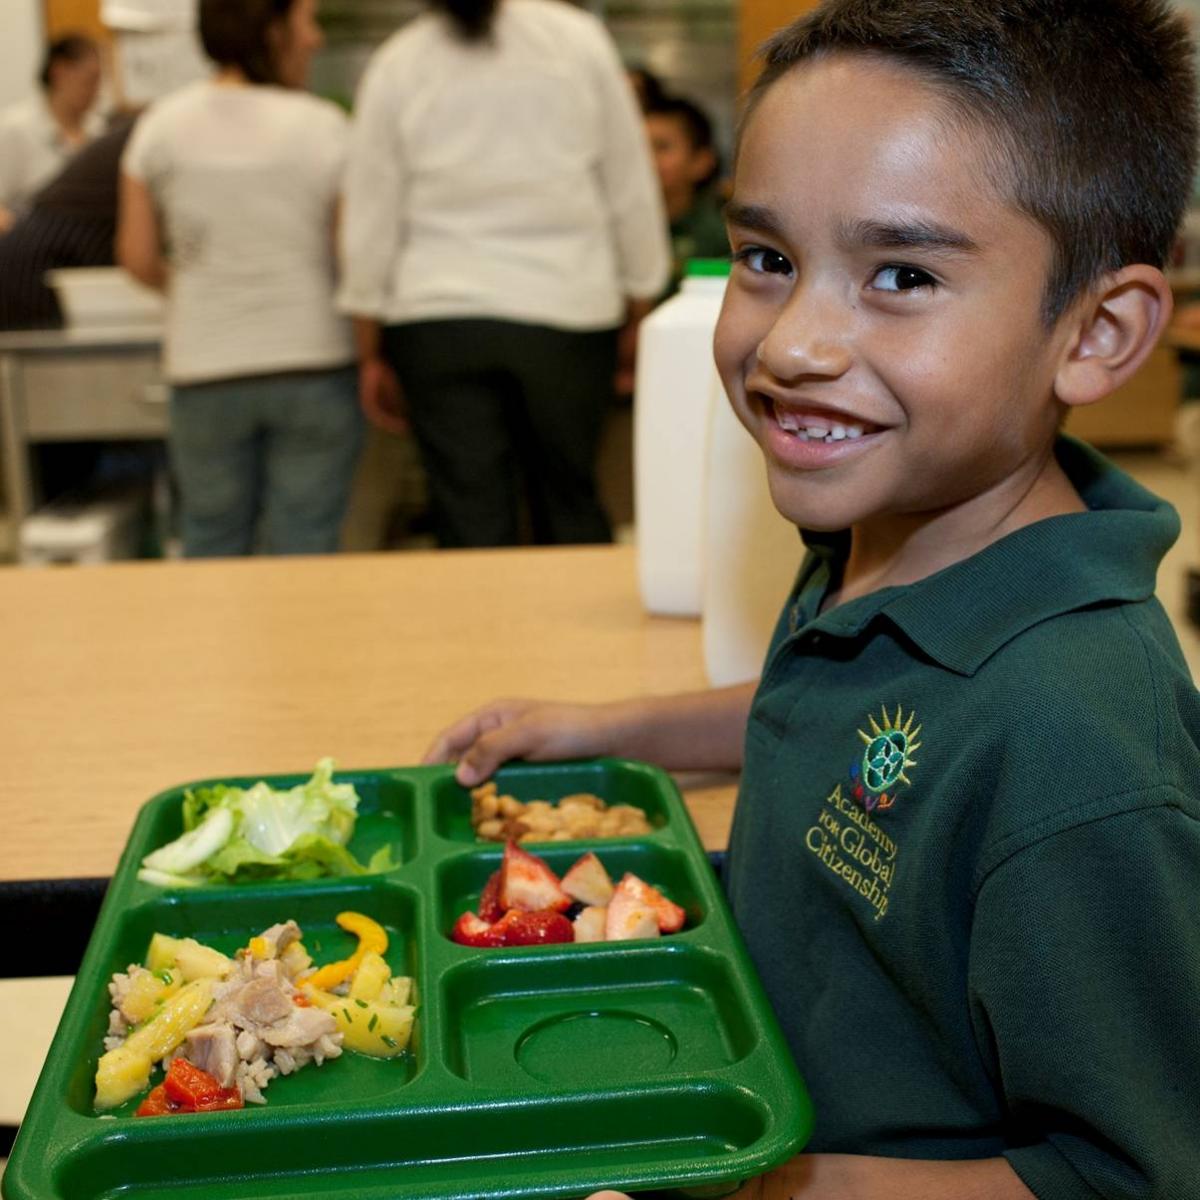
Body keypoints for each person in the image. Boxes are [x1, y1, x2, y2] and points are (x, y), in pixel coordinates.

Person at [421, 1, 1200, 1196]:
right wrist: (607, 727)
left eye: (901, 274)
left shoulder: (1080, 748)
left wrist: (757, 1183)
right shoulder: (885, 524)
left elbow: (1129, 1175)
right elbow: (841, 723)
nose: (791, 342)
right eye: (768, 259)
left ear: (1096, 333)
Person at [338, 0, 670, 548]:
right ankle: (581, 634)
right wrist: (641, 300)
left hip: (435, 317)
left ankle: (478, 634)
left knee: (467, 511)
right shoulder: (577, 39)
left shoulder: (399, 60)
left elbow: (372, 210)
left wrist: (367, 343)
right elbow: (628, 181)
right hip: (569, 311)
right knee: (569, 498)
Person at [117, 0, 362, 558]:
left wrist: (198, 286)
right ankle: (304, 649)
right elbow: (352, 257)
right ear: (272, 32)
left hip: (204, 366)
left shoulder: (160, 128)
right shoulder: (325, 126)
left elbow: (135, 255)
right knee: (307, 542)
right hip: (313, 363)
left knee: (210, 541)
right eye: (306, 22)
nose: (315, 39)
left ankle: (217, 649)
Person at [0, 34, 105, 234]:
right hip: (28, 246)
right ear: (59, 72)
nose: (96, 91)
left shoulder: (99, 131)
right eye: (89, 80)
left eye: (98, 81)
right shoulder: (16, 128)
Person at [644, 94, 729, 300]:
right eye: (638, 147)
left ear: (701, 161)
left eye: (661, 147)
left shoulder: (719, 236)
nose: (645, 159)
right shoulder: (618, 228)